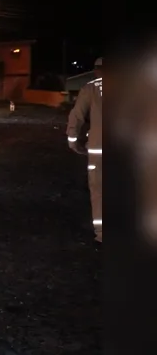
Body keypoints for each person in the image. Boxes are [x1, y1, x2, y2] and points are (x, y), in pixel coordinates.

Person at [66, 57, 103, 243]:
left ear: (96, 70)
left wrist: (73, 140)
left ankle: (102, 234)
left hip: (98, 150)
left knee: (98, 191)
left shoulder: (90, 88)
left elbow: (77, 116)